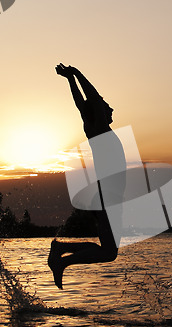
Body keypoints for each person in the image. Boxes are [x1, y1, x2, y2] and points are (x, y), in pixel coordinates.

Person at [48, 64, 124, 290]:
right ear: (99, 110)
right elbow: (90, 99)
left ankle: (61, 252)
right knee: (109, 252)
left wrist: (71, 79)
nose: (110, 108)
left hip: (106, 192)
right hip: (107, 192)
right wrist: (76, 73)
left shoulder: (94, 127)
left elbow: (82, 103)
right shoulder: (99, 127)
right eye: (106, 106)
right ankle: (62, 259)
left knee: (109, 251)